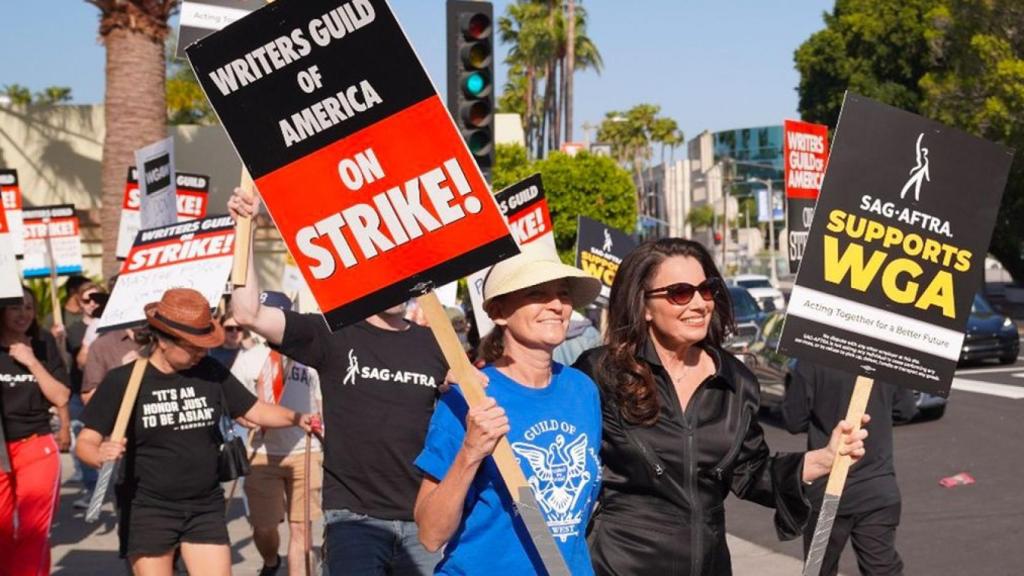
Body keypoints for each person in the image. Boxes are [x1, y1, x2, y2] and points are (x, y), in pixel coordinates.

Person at [573, 238, 869, 575]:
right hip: (621, 564)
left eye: (707, 289)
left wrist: (824, 459)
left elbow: (750, 472)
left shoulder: (735, 380)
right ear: (644, 306)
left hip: (709, 564)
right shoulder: (601, 373)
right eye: (680, 293)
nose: (699, 303)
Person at [228, 190, 450, 575]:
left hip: (422, 516)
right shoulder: (332, 334)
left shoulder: (438, 345)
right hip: (355, 519)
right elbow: (247, 312)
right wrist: (243, 229)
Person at [76, 288, 317, 576]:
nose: (202, 353)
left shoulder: (210, 370)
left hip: (204, 505)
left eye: (205, 345)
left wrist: (298, 417)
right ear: (163, 341)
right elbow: (86, 442)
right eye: (193, 346)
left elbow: (254, 410)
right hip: (147, 508)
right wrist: (98, 454)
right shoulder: (123, 381)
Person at [414, 243, 604, 574]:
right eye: (537, 294)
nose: (556, 305)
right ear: (499, 312)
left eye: (562, 293)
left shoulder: (582, 390)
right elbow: (430, 535)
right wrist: (471, 452)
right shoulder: (469, 396)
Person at [783, 362, 916, 576]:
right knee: (882, 569)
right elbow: (906, 410)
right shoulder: (887, 360)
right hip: (877, 488)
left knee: (818, 570)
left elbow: (793, 420)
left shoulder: (812, 362)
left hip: (827, 490)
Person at [241, 291, 323, 576]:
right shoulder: (247, 358)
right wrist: (244, 418)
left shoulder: (309, 357)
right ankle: (271, 561)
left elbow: (322, 401)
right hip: (262, 453)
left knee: (302, 530)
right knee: (264, 527)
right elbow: (235, 404)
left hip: (305, 452)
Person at [0, 286, 71, 576]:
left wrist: (31, 361)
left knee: (34, 529)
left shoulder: (44, 345)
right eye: (16, 307)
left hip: (36, 443)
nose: (23, 313)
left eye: (29, 307)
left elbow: (61, 396)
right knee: (2, 529)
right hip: (1, 447)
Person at [67, 285, 106, 508]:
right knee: (82, 442)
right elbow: (81, 362)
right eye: (87, 300)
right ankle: (93, 492)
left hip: (109, 393)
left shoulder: (113, 325)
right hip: (81, 393)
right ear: (80, 303)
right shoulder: (74, 329)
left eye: (97, 299)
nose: (92, 303)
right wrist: (91, 336)